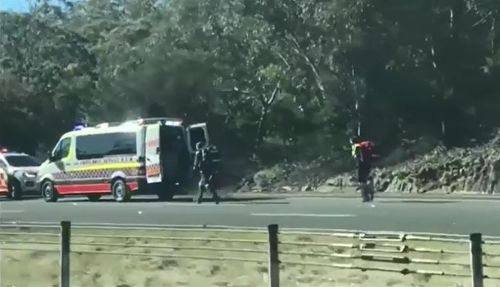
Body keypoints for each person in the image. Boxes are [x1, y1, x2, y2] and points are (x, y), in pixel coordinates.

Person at [350, 137, 376, 202]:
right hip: (368, 164)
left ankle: (365, 196)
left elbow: (357, 157)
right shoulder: (362, 146)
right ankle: (370, 190)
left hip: (361, 165)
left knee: (361, 181)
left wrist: (358, 164)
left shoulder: (356, 146)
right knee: (367, 178)